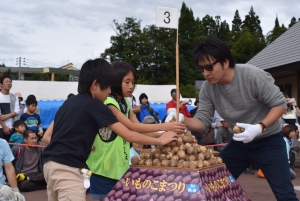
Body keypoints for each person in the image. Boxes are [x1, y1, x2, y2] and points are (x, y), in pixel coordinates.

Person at [168, 38, 298, 200]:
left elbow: (279, 104)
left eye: (209, 67)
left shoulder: (252, 75)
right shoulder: (208, 88)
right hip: (238, 143)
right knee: (214, 185)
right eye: (201, 68)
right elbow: (202, 122)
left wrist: (259, 127)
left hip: (269, 141)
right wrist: (181, 118)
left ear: (225, 61)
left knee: (285, 194)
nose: (205, 73)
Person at [43, 58, 178, 201]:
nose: (109, 91)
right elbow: (130, 134)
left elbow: (50, 135)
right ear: (95, 84)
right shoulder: (97, 105)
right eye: (107, 87)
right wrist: (160, 140)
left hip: (49, 165)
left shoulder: (68, 103)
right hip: (70, 169)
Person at [86, 61, 184, 201]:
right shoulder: (109, 102)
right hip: (104, 170)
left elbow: (140, 128)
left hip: (120, 168)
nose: (131, 86)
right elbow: (132, 128)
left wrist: (168, 135)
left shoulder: (125, 103)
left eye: (133, 82)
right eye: (127, 82)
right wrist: (164, 128)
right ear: (114, 81)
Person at [0, 75, 20, 142]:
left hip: (12, 127)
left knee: (12, 148)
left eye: (10, 82)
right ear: (1, 84)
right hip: (1, 128)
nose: (9, 83)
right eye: (6, 82)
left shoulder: (14, 97)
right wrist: (4, 127)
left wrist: (6, 116)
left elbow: (17, 111)